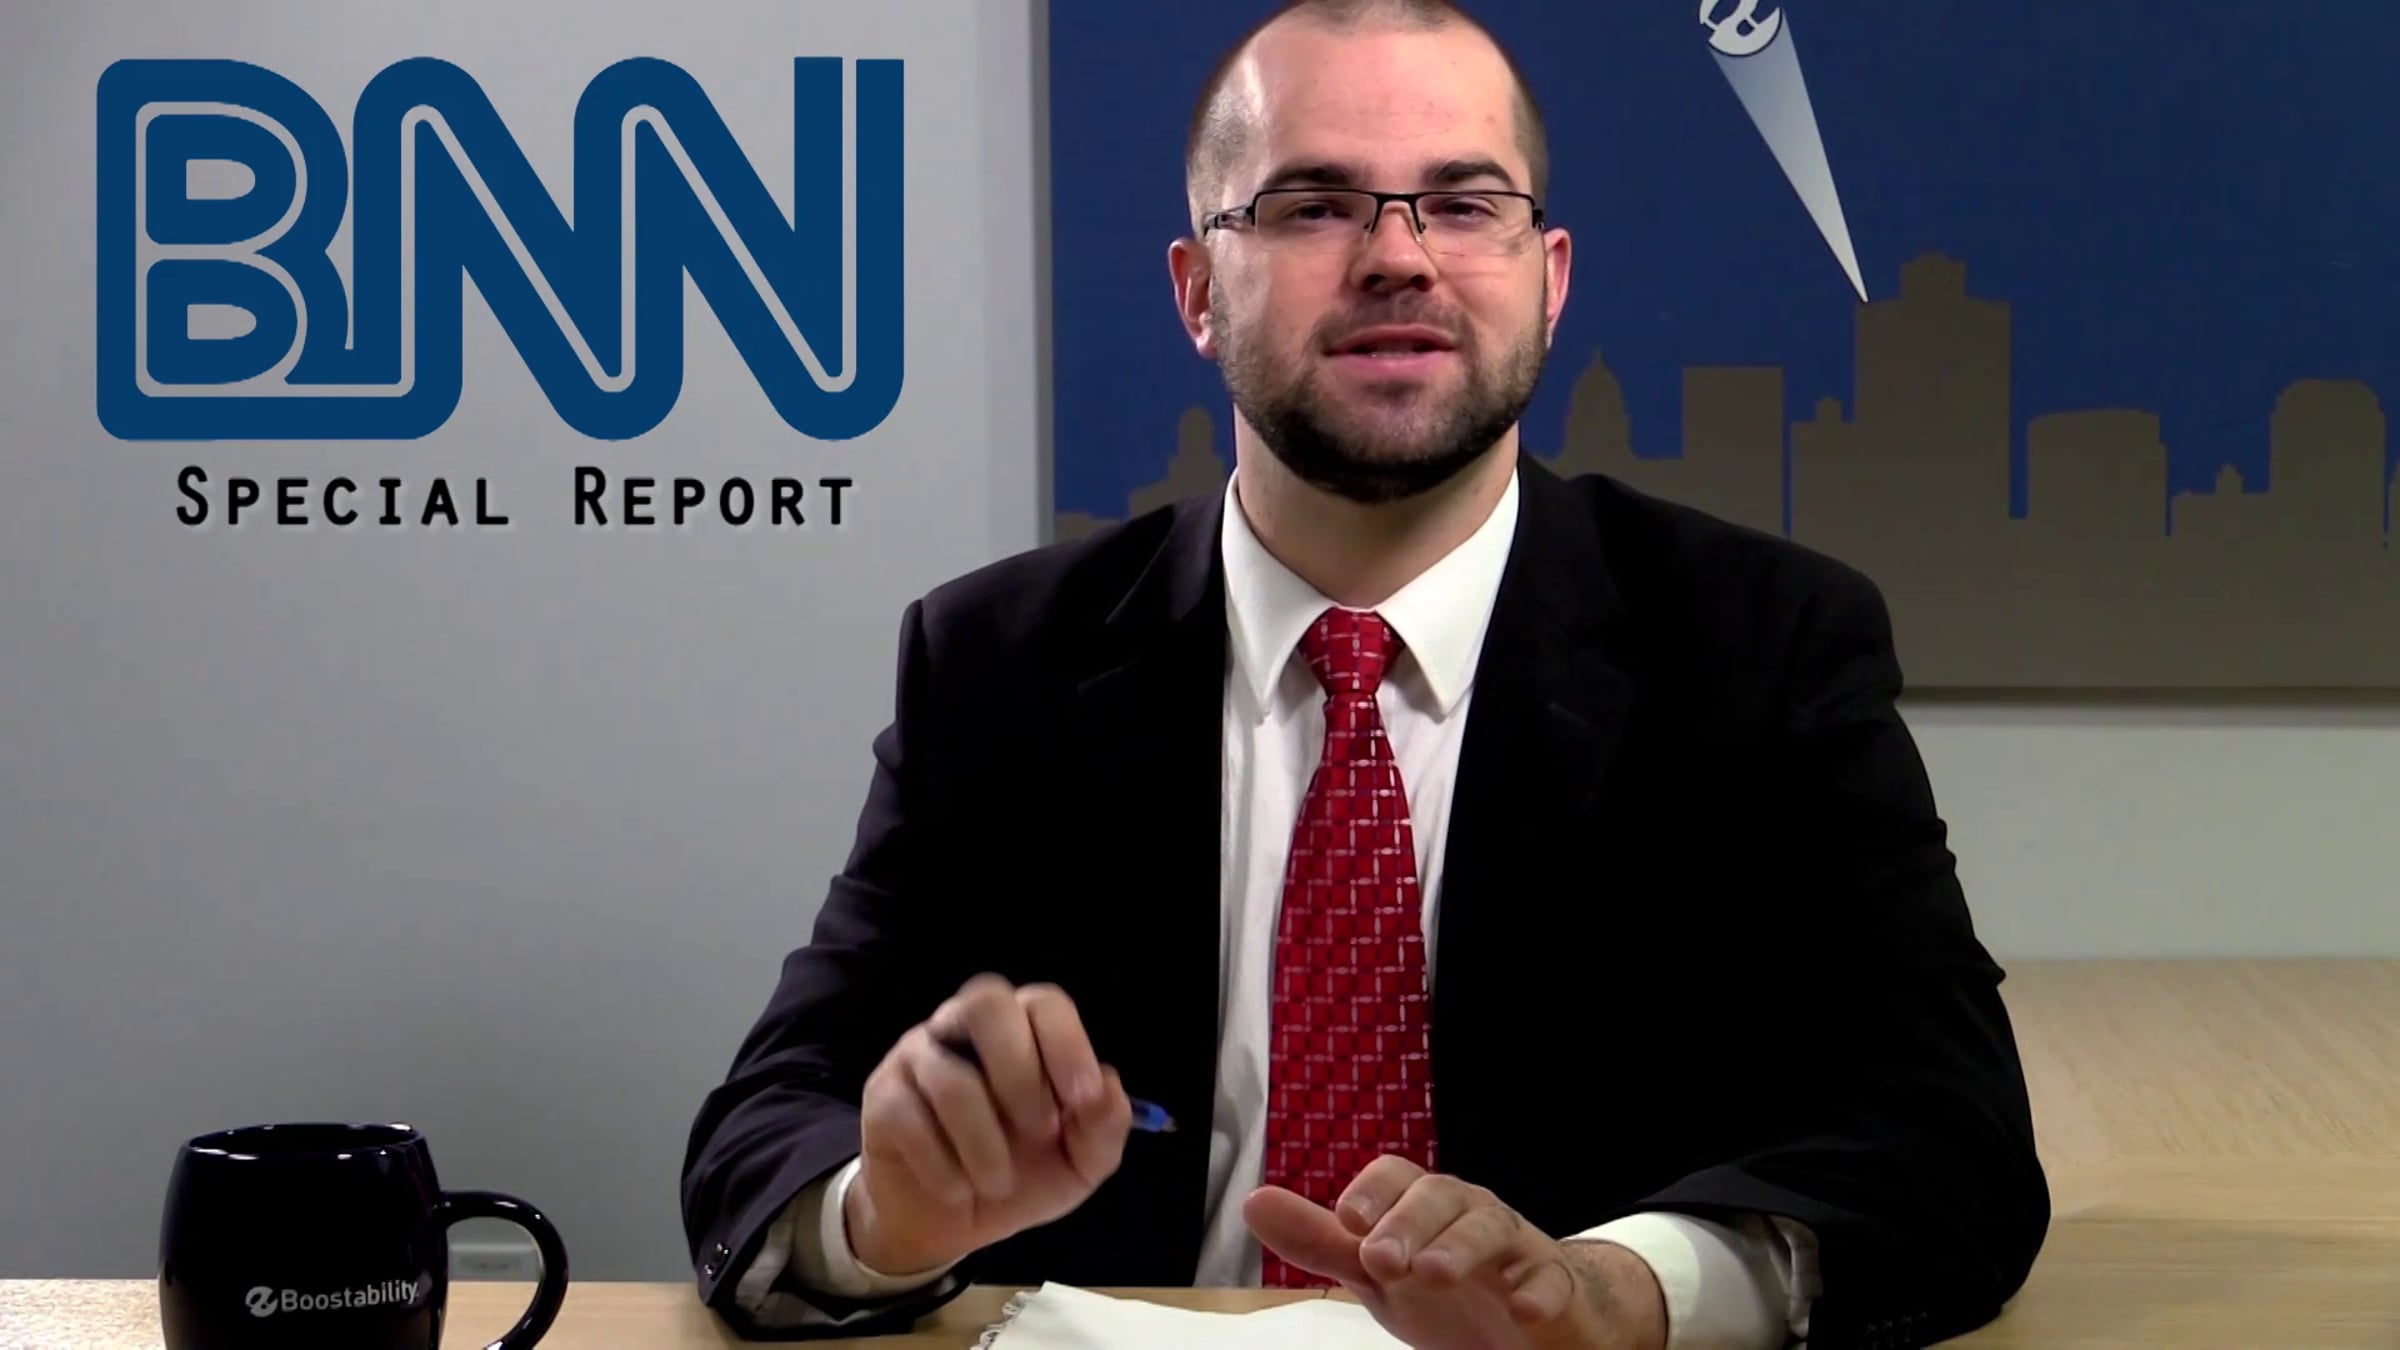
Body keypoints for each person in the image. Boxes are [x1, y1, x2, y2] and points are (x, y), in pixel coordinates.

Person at [679, 1, 2051, 1345]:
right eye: (1317, 205)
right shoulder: (999, 665)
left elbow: (1951, 1141)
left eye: (1462, 204)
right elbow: (766, 1126)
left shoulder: (1762, 647)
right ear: (1198, 292)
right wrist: (889, 1214)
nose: (1399, 257)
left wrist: (1616, 1291)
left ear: (1551, 279)